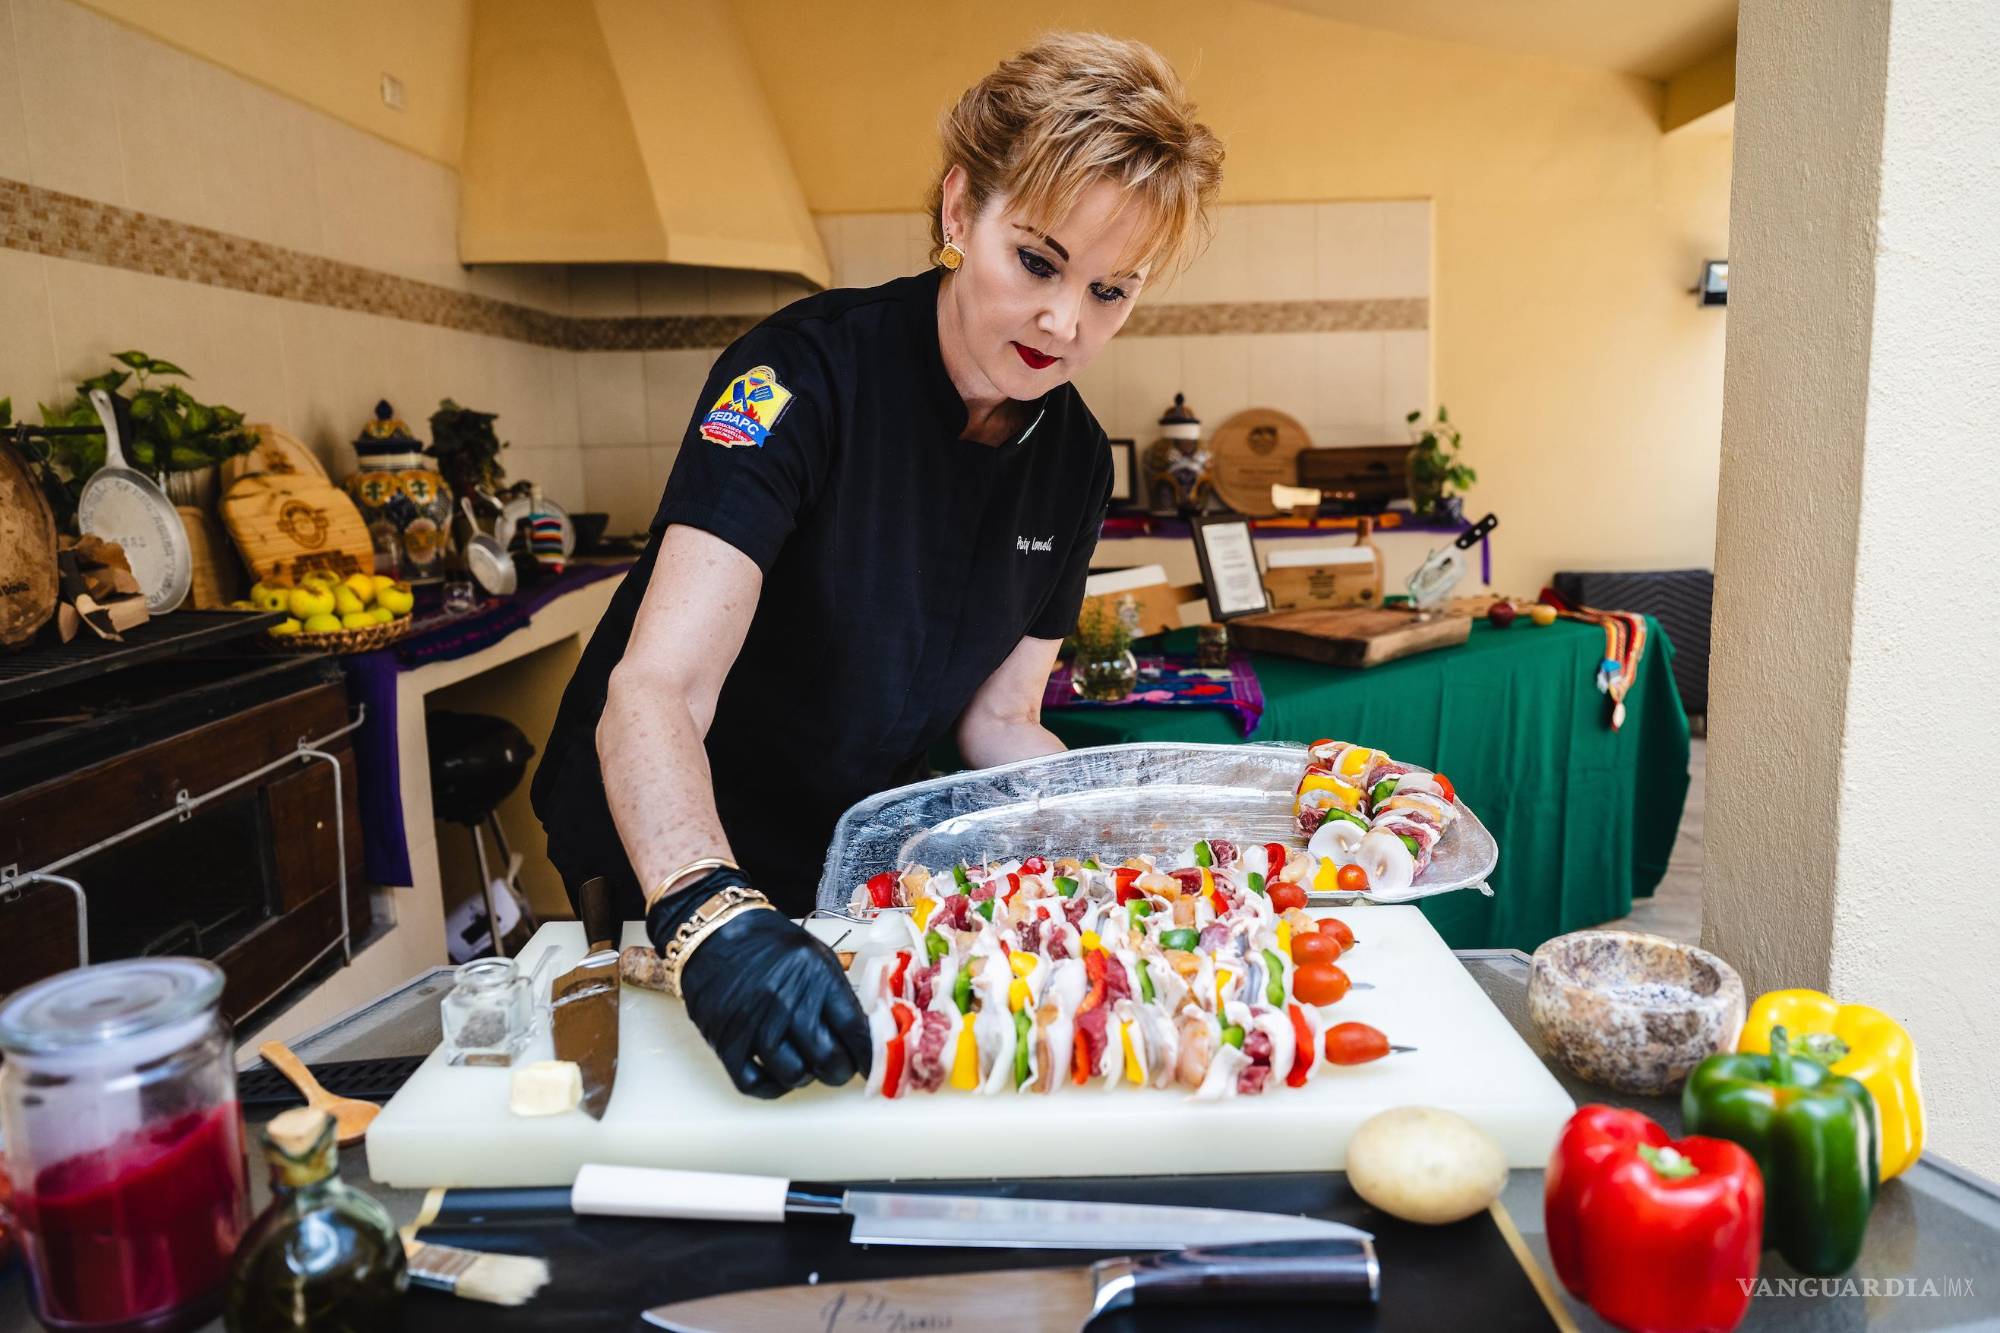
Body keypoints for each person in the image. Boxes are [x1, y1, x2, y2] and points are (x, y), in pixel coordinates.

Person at [532, 32, 1223, 1098]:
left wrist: (1127, 829)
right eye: (1036, 262)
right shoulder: (797, 377)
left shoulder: (1075, 458)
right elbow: (657, 687)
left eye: (1109, 292)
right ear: (959, 213)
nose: (1061, 323)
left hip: (847, 862)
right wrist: (706, 911)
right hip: (671, 848)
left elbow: (995, 718)